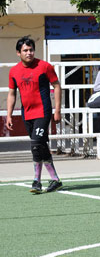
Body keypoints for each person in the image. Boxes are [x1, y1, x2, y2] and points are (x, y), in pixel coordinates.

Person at [5, 36, 63, 194]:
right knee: (40, 145)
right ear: (18, 53)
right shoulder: (14, 71)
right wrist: (9, 115)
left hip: (43, 111)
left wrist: (57, 110)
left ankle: (36, 181)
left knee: (36, 144)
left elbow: (57, 86)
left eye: (31, 50)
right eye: (25, 50)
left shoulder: (44, 67)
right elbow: (12, 93)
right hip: (26, 113)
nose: (29, 53)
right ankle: (55, 179)